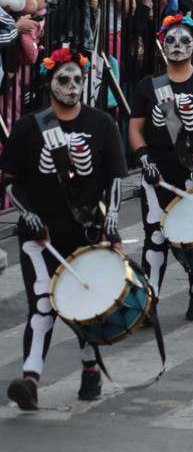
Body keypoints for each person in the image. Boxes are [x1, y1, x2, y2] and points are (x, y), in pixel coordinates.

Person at [3, 46, 126, 410]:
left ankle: (90, 368)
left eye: (77, 79)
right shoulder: (29, 126)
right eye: (64, 79)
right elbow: (10, 180)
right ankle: (30, 378)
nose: (72, 86)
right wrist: (28, 213)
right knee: (41, 305)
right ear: (49, 83)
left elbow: (115, 180)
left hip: (85, 233)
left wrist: (112, 224)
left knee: (84, 305)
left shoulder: (101, 124)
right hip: (39, 238)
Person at [129, 13, 193, 321]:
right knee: (155, 237)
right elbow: (135, 128)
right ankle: (151, 300)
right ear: (162, 44)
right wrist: (144, 159)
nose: (177, 46)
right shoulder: (149, 86)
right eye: (171, 40)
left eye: (184, 40)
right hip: (157, 175)